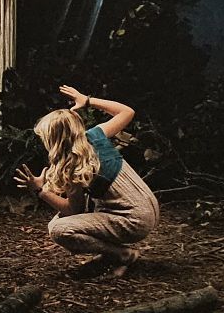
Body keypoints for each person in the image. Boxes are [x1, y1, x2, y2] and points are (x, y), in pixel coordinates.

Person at [15, 85, 158, 279]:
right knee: (77, 213)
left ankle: (121, 254)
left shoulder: (72, 166)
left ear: (53, 140)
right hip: (148, 208)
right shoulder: (96, 135)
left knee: (58, 229)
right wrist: (87, 101)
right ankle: (111, 254)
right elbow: (127, 112)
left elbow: (73, 211)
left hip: (134, 221)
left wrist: (40, 191)